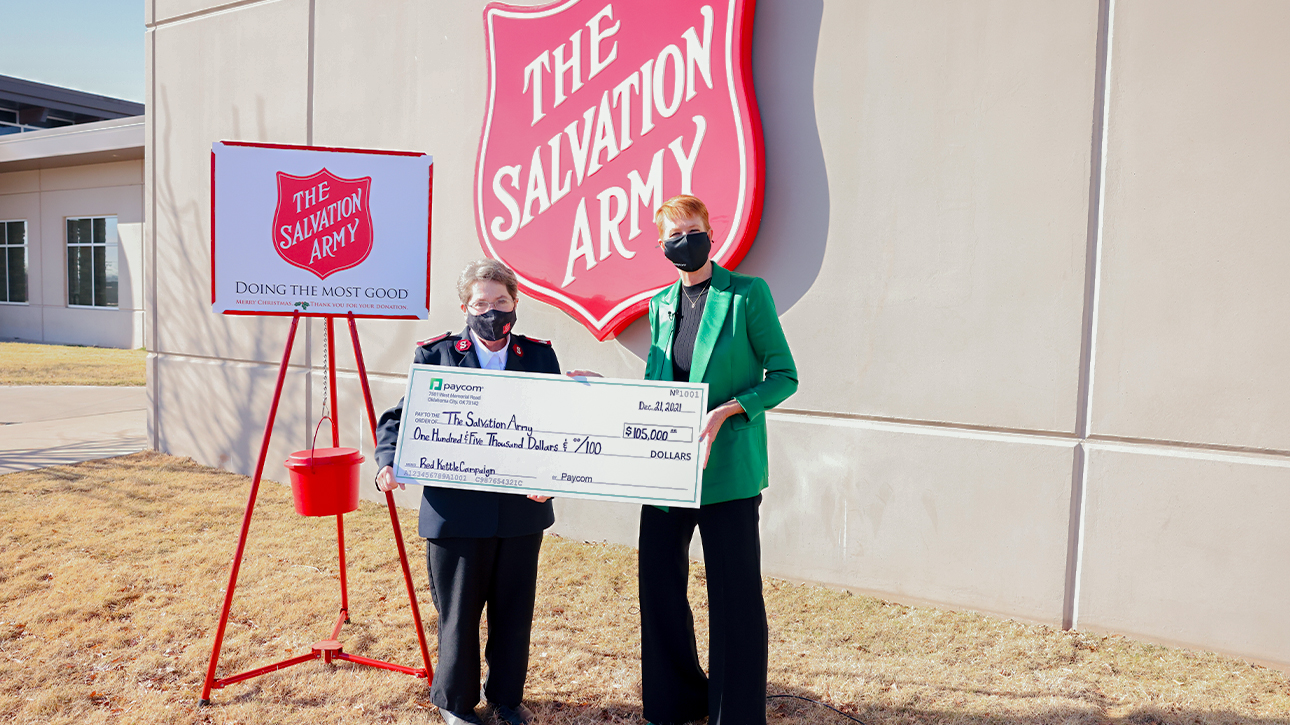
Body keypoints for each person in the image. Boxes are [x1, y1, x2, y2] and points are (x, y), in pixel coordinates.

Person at [569, 195, 798, 725]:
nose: (684, 241)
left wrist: (729, 410)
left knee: (735, 597)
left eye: (692, 231)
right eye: (673, 235)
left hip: (728, 472)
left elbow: (784, 376)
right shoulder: (660, 304)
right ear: (661, 245)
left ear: (710, 235)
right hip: (666, 474)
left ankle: (734, 713)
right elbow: (661, 388)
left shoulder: (746, 295)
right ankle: (675, 701)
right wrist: (609, 393)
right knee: (660, 587)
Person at [375, 259, 558, 725]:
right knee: (457, 614)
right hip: (455, 513)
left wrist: (552, 476)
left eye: (501, 301)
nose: (491, 311)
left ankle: (507, 699)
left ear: (515, 302)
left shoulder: (539, 356)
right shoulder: (435, 355)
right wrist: (388, 461)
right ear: (464, 308)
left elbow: (558, 428)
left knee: (514, 612)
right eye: (481, 304)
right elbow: (401, 417)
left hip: (520, 512)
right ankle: (455, 702)